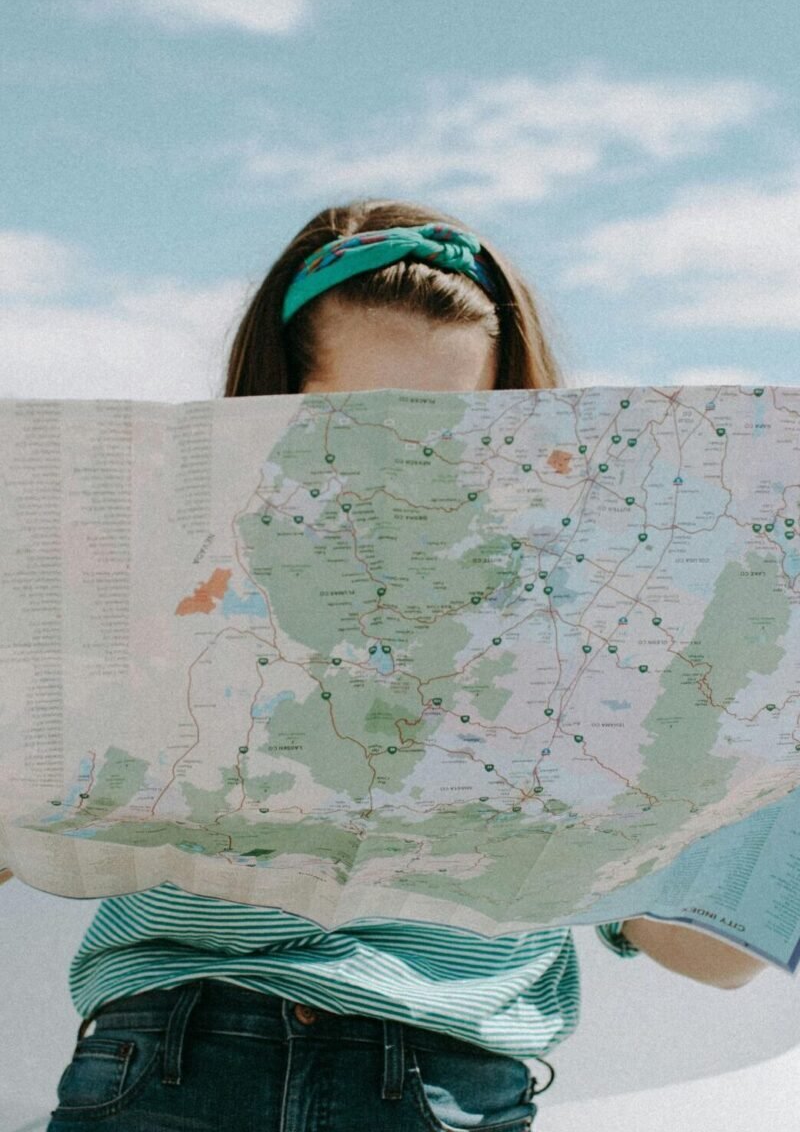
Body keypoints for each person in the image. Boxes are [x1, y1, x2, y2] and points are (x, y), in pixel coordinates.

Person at [3, 198, 766, 1131]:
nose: (401, 467)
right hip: (164, 1060)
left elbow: (718, 958)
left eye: (452, 431)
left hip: (442, 1087)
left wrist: (730, 784)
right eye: (354, 423)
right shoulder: (158, 566)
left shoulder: (600, 615)